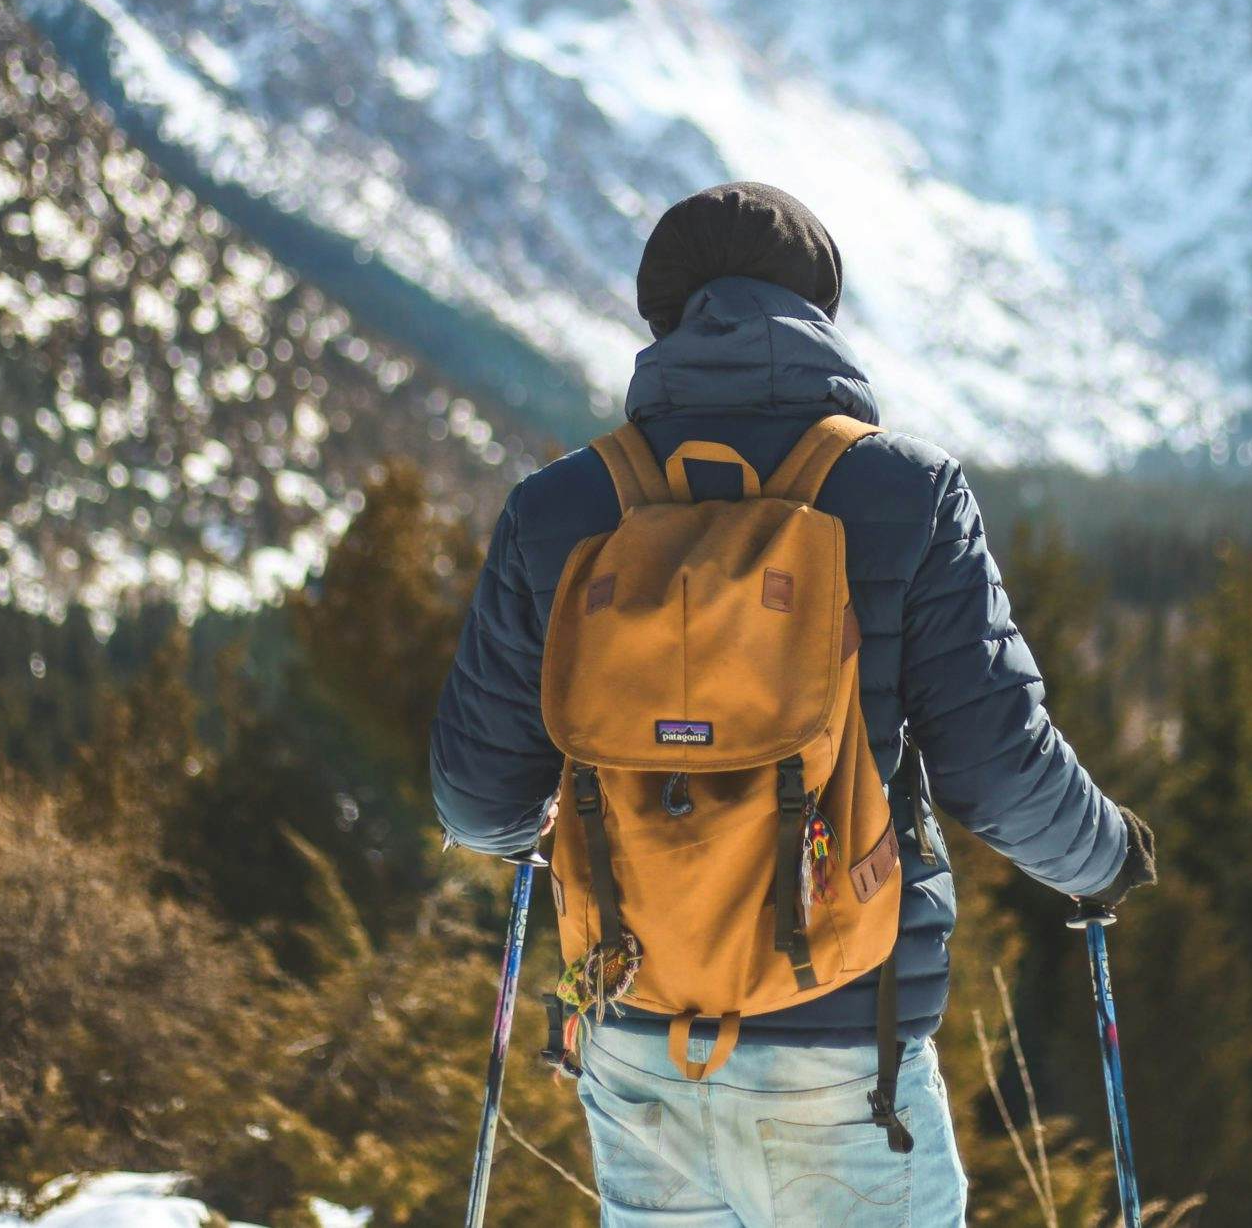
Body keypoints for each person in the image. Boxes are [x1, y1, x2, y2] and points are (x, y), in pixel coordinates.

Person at [432, 181, 1156, 1225]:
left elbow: (475, 800)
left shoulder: (560, 510)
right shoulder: (906, 494)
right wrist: (1104, 860)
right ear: (817, 313)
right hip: (842, 1042)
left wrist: (553, 823)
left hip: (639, 1033)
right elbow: (997, 765)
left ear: (664, 316)